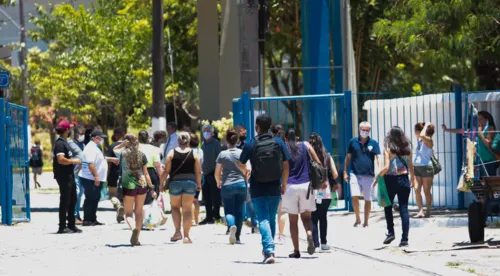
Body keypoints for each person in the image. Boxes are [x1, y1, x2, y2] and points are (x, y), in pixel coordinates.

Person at [239, 114, 290, 264]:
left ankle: (268, 250)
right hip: (275, 185)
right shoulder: (278, 142)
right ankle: (269, 247)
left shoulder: (251, 143)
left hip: (257, 186)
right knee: (271, 217)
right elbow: (286, 164)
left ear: (257, 127)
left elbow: (240, 162)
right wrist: (284, 184)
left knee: (263, 218)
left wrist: (246, 170)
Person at [282, 128, 324, 258]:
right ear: (297, 137)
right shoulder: (305, 145)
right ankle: (310, 234)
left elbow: (283, 168)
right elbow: (318, 162)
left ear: (286, 139)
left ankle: (296, 250)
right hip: (306, 186)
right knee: (306, 218)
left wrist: (282, 186)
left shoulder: (284, 148)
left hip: (290, 187)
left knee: (293, 221)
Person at [373, 126, 415, 247]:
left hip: (391, 180)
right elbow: (411, 166)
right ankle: (405, 239)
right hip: (404, 180)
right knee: (404, 209)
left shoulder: (388, 149)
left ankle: (391, 232)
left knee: (387, 205)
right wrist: (412, 179)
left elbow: (386, 167)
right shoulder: (407, 149)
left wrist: (377, 177)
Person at [114, 134, 157, 246]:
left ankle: (133, 229)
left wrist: (122, 144)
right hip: (142, 185)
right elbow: (146, 173)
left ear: (126, 142)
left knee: (128, 214)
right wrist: (152, 188)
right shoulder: (141, 155)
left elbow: (114, 149)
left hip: (128, 186)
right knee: (139, 212)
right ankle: (137, 239)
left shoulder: (123, 154)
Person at [160, 132, 202, 244]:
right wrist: (199, 184)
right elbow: (198, 171)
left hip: (175, 183)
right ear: (188, 141)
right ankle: (187, 237)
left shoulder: (171, 153)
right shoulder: (194, 154)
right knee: (187, 209)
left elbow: (166, 170)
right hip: (190, 183)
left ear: (178, 141)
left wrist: (161, 183)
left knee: (175, 207)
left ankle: (177, 232)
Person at [215, 129, 250, 245]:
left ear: (227, 140)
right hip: (241, 184)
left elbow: (217, 172)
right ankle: (238, 237)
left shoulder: (222, 154)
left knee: (229, 210)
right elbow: (248, 170)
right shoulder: (242, 152)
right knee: (240, 211)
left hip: (227, 185)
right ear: (237, 140)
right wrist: (245, 180)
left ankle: (231, 226)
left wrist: (218, 182)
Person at [343, 121, 381, 227]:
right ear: (359, 130)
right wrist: (345, 171)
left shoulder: (374, 143)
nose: (365, 132)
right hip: (354, 173)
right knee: (354, 196)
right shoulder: (352, 142)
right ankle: (358, 218)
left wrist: (380, 170)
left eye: (367, 130)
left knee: (367, 199)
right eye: (363, 130)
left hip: (369, 175)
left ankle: (366, 221)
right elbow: (348, 157)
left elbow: (378, 157)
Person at [442, 110, 498, 176]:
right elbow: (461, 130)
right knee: (478, 183)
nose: (478, 121)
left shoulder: (490, 129)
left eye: (480, 119)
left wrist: (480, 134)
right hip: (477, 161)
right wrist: (447, 129)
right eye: (477, 120)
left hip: (488, 161)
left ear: (486, 120)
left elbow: (488, 144)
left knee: (488, 182)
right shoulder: (474, 130)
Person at [309, 132, 339, 251]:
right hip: (325, 191)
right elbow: (335, 174)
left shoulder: (309, 157)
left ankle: (315, 243)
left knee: (313, 217)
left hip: (312, 190)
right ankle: (324, 243)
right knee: (323, 217)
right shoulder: (327, 156)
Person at [53, 120, 83, 234]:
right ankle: (62, 226)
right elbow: (61, 160)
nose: (71, 130)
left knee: (73, 199)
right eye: (69, 128)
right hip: (63, 175)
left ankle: (71, 224)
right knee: (65, 200)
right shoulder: (60, 144)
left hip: (69, 175)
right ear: (66, 130)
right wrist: (74, 161)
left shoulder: (65, 142)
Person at [79, 130, 109, 226]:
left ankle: (93, 219)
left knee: (95, 198)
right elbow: (90, 164)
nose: (102, 140)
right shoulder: (90, 148)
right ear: (96, 138)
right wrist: (96, 176)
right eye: (101, 138)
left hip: (95, 178)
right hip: (90, 178)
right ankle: (87, 220)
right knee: (90, 199)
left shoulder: (95, 147)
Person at [199, 124, 223, 224]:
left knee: (216, 195)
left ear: (212, 133)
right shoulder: (203, 144)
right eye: (204, 131)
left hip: (214, 172)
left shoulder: (216, 143)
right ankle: (209, 217)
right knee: (206, 196)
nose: (206, 133)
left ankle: (216, 215)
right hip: (205, 173)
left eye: (208, 131)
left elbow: (219, 159)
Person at [413, 122, 436, 218]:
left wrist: (426, 125)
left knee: (426, 190)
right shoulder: (420, 141)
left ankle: (428, 211)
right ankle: (420, 211)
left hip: (426, 167)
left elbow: (422, 135)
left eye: (416, 131)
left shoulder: (428, 140)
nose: (415, 133)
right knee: (416, 189)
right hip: (417, 167)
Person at [138, 131, 164, 205]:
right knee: (152, 197)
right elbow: (158, 165)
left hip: (138, 172)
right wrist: (162, 181)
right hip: (151, 172)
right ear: (147, 139)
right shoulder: (154, 149)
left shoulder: (135, 148)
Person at [271, 124, 286, 243]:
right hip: (281, 179)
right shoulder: (283, 144)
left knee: (270, 209)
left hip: (268, 178)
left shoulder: (269, 141)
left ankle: (270, 234)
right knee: (281, 210)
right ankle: (280, 235)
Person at [68, 126, 85, 224]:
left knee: (80, 194)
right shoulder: (70, 144)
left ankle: (77, 214)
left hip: (82, 174)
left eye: (83, 134)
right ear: (75, 133)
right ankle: (73, 215)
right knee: (76, 193)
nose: (81, 136)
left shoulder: (83, 145)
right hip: (74, 173)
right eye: (80, 133)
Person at [107, 128, 125, 214]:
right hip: (126, 173)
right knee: (124, 195)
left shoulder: (112, 146)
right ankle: (121, 211)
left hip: (114, 173)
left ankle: (118, 206)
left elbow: (109, 163)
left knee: (112, 195)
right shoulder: (128, 146)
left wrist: (106, 175)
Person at [189, 133, 203, 225]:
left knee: (190, 199)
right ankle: (197, 220)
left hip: (190, 176)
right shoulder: (200, 151)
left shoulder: (188, 151)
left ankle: (192, 219)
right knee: (196, 199)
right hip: (199, 175)